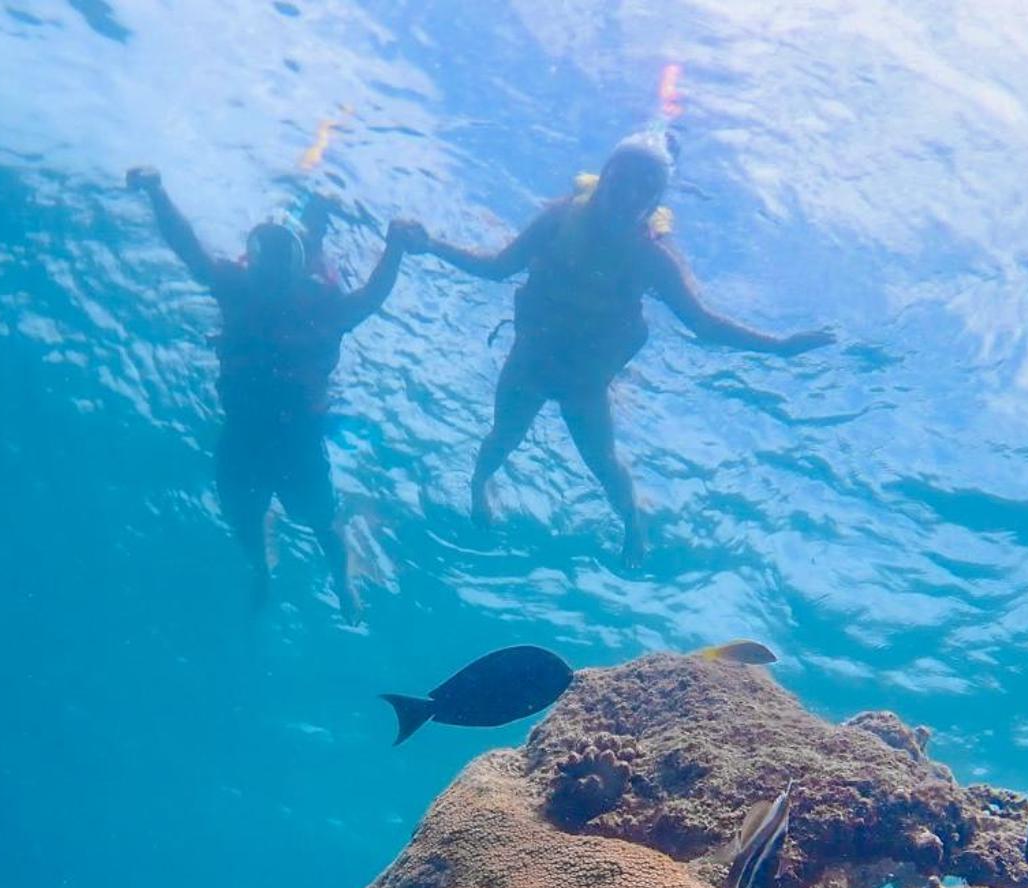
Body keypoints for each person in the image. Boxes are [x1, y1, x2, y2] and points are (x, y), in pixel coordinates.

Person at [406, 133, 834, 566]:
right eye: (622, 180)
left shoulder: (653, 259)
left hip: (585, 385)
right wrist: (431, 245)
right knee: (502, 437)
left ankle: (633, 526)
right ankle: (479, 487)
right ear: (605, 177)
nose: (628, 196)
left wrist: (779, 347)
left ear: (655, 201)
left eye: (644, 188)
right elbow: (498, 267)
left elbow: (702, 323)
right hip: (529, 364)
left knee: (604, 462)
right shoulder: (559, 220)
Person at [128, 166, 417, 620]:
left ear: (299, 268)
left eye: (283, 263)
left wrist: (395, 248)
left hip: (298, 440)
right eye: (266, 261)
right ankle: (261, 569)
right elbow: (187, 247)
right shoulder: (236, 289)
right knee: (244, 516)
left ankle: (341, 579)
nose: (273, 273)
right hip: (243, 435)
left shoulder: (322, 308)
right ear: (254, 260)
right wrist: (157, 191)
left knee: (320, 521)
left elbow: (371, 296)